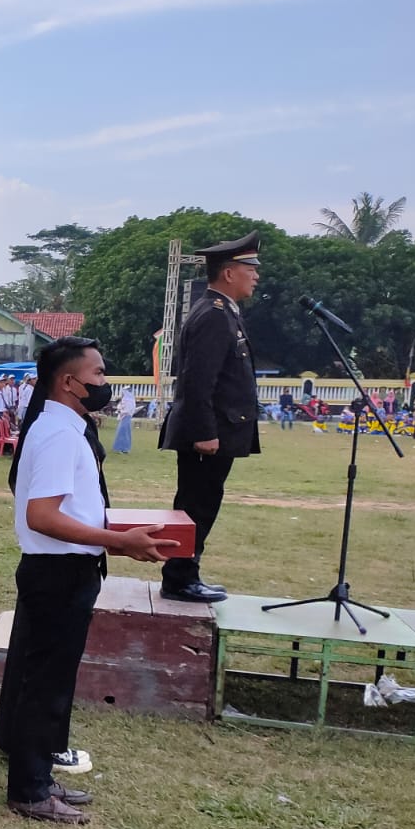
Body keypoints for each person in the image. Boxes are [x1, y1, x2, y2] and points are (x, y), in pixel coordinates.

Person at [0, 336, 175, 824]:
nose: (104, 382)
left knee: (52, 680)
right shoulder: (55, 433)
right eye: (96, 374)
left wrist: (112, 537)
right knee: (44, 683)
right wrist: (117, 542)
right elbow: (43, 516)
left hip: (69, 570)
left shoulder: (66, 428)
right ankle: (29, 791)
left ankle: (39, 775)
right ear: (69, 382)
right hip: (57, 573)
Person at [158, 232, 263, 604]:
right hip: (208, 434)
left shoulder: (224, 312)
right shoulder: (214, 316)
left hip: (219, 430)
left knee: (202, 504)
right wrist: (204, 431)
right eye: (251, 268)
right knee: (195, 507)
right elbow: (198, 380)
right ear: (229, 272)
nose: (256, 275)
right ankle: (180, 578)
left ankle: (187, 572)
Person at [112, 387, 137, 454]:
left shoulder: (126, 400)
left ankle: (121, 448)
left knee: (122, 433)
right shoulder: (131, 400)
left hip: (125, 417)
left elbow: (126, 410)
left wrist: (120, 411)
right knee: (125, 433)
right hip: (126, 417)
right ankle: (125, 448)